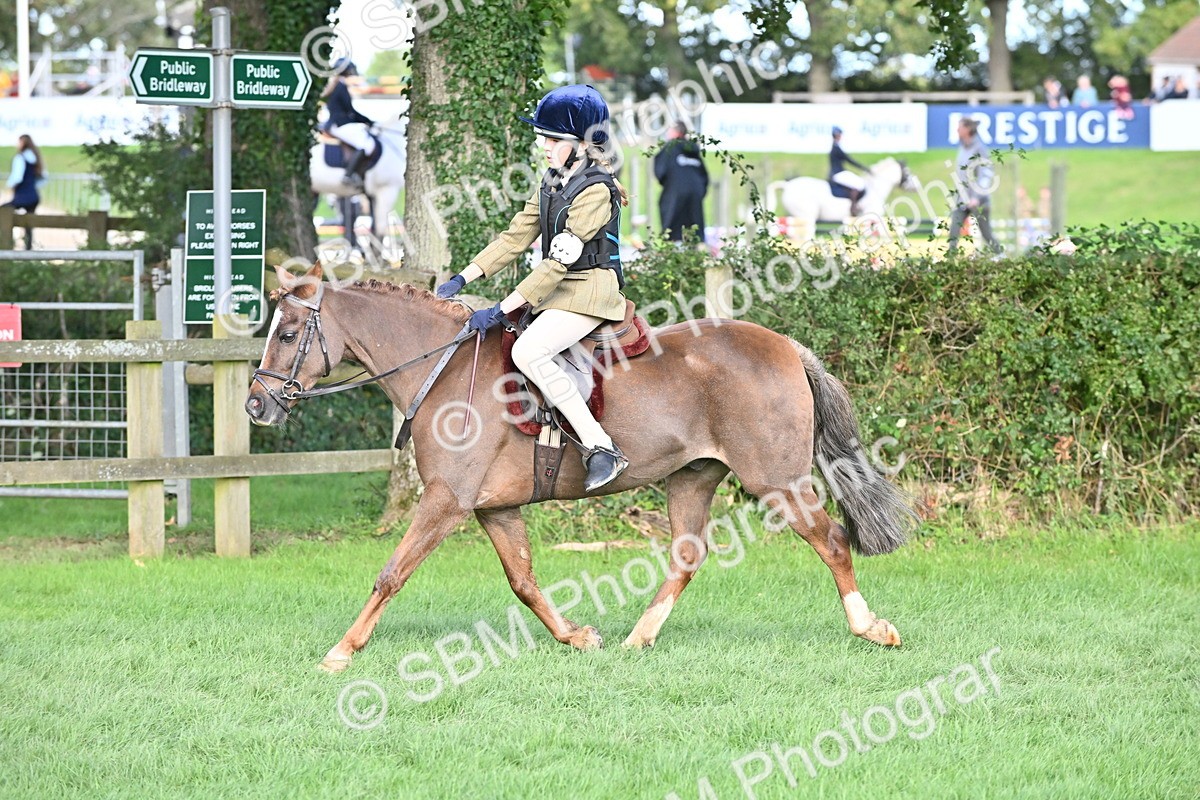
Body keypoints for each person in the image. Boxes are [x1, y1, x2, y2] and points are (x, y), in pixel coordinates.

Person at [434, 85, 630, 492]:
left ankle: (601, 447)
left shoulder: (595, 191)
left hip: (591, 291)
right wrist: (463, 278)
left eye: (553, 139)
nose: (543, 145)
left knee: (528, 350)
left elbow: (557, 264)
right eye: (543, 137)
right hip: (561, 290)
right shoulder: (552, 180)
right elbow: (514, 238)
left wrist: (504, 307)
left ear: (582, 143)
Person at [947, 117, 1002, 257]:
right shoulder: (962, 147)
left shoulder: (979, 149)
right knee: (953, 232)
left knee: (986, 234)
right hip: (962, 199)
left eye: (960, 127)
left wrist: (977, 197)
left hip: (979, 200)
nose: (957, 130)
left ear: (967, 129)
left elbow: (986, 173)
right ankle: (950, 263)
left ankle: (1001, 256)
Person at [320, 59, 374, 190]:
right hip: (340, 124)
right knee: (366, 145)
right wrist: (367, 120)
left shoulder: (335, 85)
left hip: (337, 123)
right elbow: (350, 111)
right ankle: (348, 175)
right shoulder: (341, 86)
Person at [653, 121, 708, 243]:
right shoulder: (693, 150)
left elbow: (660, 172)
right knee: (694, 231)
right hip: (695, 195)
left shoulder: (670, 148)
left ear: (675, 132)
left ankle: (673, 251)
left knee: (672, 230)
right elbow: (704, 177)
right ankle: (694, 250)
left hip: (675, 195)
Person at [3, 134, 44, 250]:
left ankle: (5, 244)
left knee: (4, 211)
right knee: (29, 223)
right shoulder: (35, 158)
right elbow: (43, 177)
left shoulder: (20, 158)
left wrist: (10, 186)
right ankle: (28, 248)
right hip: (33, 196)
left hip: (23, 196)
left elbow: (17, 177)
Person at [828, 126, 869, 216]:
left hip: (838, 172)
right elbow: (849, 160)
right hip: (837, 173)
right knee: (858, 184)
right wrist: (862, 167)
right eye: (839, 135)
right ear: (837, 135)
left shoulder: (835, 147)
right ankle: (853, 207)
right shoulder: (836, 148)